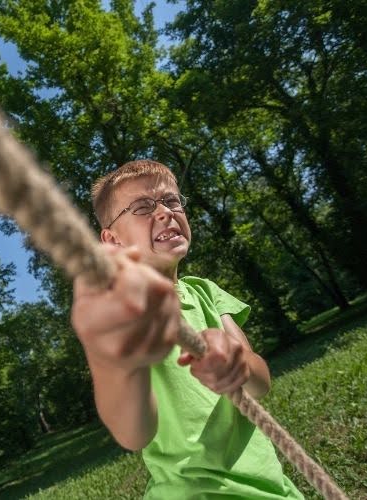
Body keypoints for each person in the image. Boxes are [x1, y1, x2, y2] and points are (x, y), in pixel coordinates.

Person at [71, 160, 303, 499]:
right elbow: (133, 433)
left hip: (269, 487)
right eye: (142, 207)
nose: (164, 212)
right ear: (112, 240)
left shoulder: (205, 292)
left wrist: (238, 364)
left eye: (172, 201)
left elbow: (260, 384)